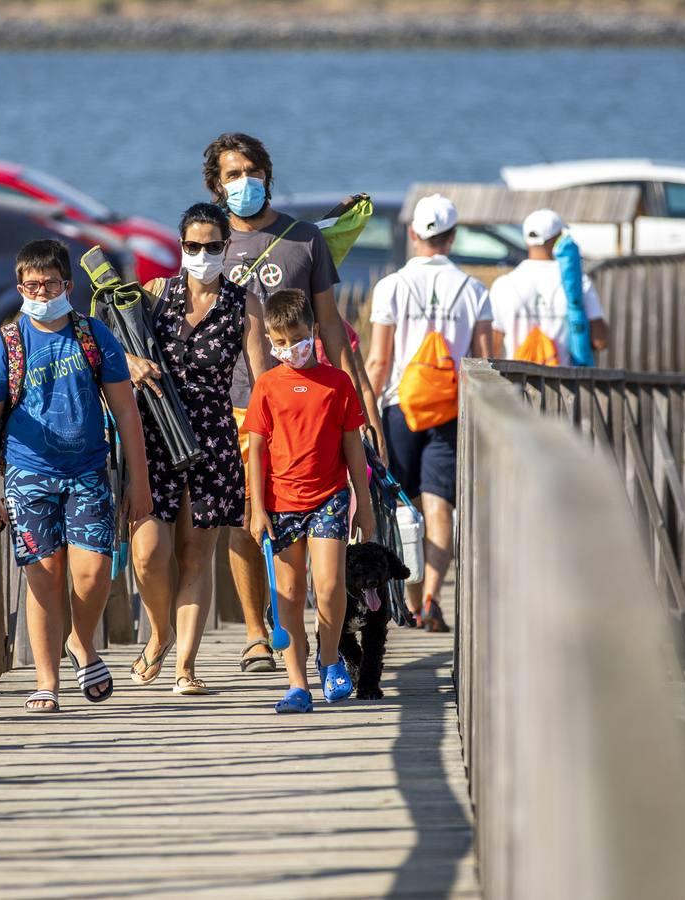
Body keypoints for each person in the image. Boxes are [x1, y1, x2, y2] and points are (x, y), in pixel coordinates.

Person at [201, 131, 382, 675]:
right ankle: (258, 633)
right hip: (232, 399)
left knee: (317, 506)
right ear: (215, 185)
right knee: (246, 516)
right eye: (232, 175)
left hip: (311, 401)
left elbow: (331, 326)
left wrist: (363, 401)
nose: (244, 182)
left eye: (252, 171)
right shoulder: (209, 243)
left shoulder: (305, 239)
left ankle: (319, 645)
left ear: (268, 176)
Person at [0, 239, 151, 713]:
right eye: (31, 284)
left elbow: (126, 412)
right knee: (43, 574)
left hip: (88, 469)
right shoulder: (7, 343)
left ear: (68, 285)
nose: (40, 291)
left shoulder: (93, 336)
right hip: (28, 474)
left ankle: (81, 641)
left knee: (92, 574)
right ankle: (46, 679)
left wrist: (139, 479)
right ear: (19, 287)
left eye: (49, 283)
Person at [122, 203, 268, 695]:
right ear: (179, 247)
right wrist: (130, 361)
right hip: (157, 434)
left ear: (227, 247)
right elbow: (100, 342)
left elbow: (263, 382)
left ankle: (184, 666)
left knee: (195, 554)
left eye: (211, 246)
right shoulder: (156, 293)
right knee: (148, 551)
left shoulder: (244, 304)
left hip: (214, 437)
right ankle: (159, 633)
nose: (201, 255)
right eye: (191, 246)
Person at [364, 194, 493, 632]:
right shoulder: (474, 289)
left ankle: (410, 597)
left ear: (413, 234)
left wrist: (366, 410)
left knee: (405, 505)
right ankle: (432, 598)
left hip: (400, 407)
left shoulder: (392, 286)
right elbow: (484, 361)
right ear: (453, 237)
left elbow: (379, 361)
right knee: (440, 507)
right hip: (450, 410)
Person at [244, 289, 376, 713]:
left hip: (330, 498)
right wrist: (257, 508)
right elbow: (257, 450)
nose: (287, 349)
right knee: (289, 592)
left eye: (295, 338)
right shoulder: (266, 386)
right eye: (278, 341)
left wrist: (365, 501)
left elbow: (353, 446)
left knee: (332, 583)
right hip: (280, 501)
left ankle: (331, 658)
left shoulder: (338, 383)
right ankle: (297, 684)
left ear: (313, 331)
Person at [490, 208, 611, 364]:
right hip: (565, 385)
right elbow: (600, 341)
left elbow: (493, 347)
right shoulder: (579, 281)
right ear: (559, 238)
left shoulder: (503, 284)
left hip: (517, 383)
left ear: (526, 240)